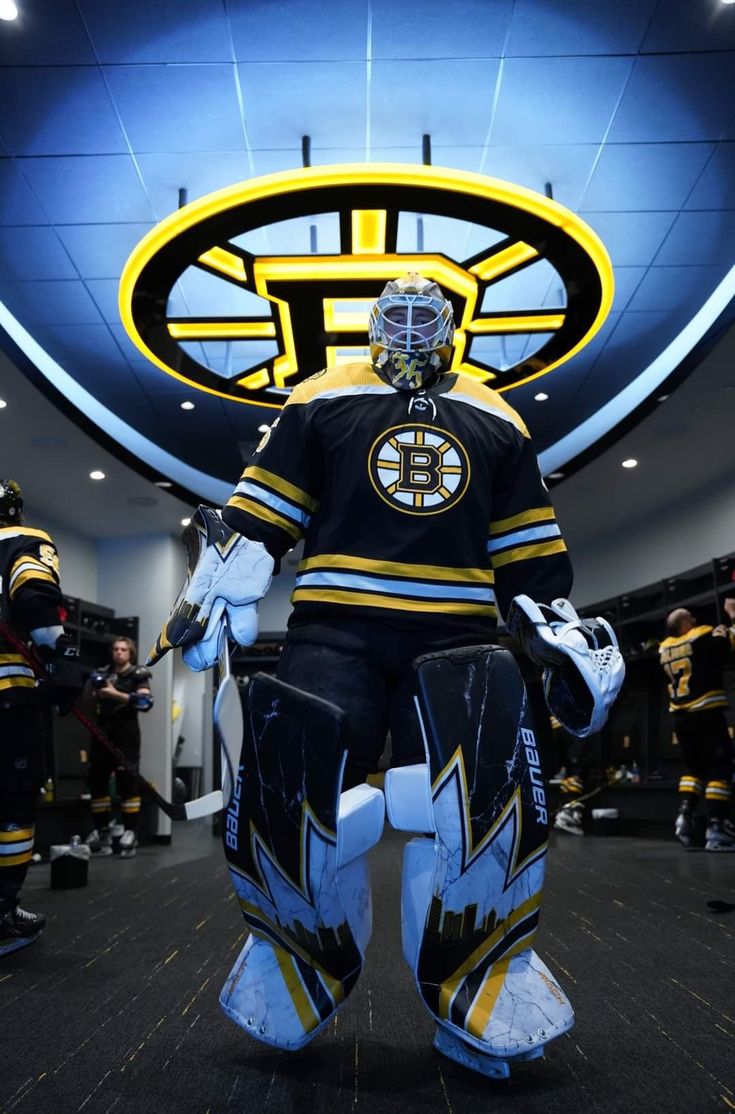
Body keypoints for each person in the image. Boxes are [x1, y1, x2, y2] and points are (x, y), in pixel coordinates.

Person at [148, 274, 623, 1076]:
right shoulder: (321, 394)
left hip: (465, 635)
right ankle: (296, 962)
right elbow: (265, 512)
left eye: (421, 317)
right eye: (392, 316)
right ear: (371, 323)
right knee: (295, 797)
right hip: (334, 628)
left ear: (450, 325)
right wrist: (218, 580)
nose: (407, 332)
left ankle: (481, 977)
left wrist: (555, 630)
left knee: (482, 809)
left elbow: (529, 554)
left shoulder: (496, 415)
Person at [0, 479, 66, 955]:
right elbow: (36, 599)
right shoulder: (25, 540)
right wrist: (62, 658)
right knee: (13, 804)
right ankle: (3, 910)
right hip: (7, 695)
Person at [659, 599, 735, 851]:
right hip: (706, 713)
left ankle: (684, 817)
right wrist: (730, 619)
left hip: (681, 719)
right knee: (719, 769)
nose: (694, 621)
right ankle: (717, 828)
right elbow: (726, 645)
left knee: (693, 771)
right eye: (689, 618)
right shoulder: (699, 636)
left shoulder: (664, 648)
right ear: (683, 624)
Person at [84, 637, 153, 859]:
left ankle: (130, 833)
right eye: (115, 649)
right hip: (102, 732)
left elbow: (145, 703)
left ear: (130, 653)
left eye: (123, 649)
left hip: (126, 734)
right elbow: (90, 698)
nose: (119, 653)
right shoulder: (102, 673)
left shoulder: (138, 674)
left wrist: (115, 695)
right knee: (97, 782)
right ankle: (102, 833)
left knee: (128, 784)